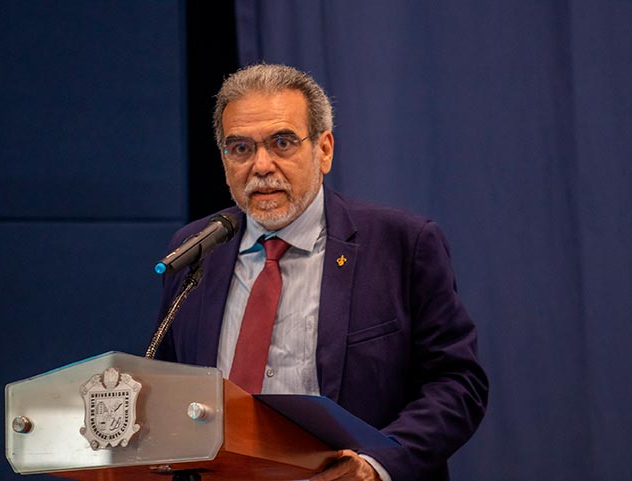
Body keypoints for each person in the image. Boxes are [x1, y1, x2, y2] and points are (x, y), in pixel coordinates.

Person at [156, 64, 488, 481]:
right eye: (239, 148)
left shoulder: (402, 243)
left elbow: (457, 384)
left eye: (282, 142)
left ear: (324, 149)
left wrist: (375, 466)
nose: (261, 165)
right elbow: (168, 383)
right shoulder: (196, 248)